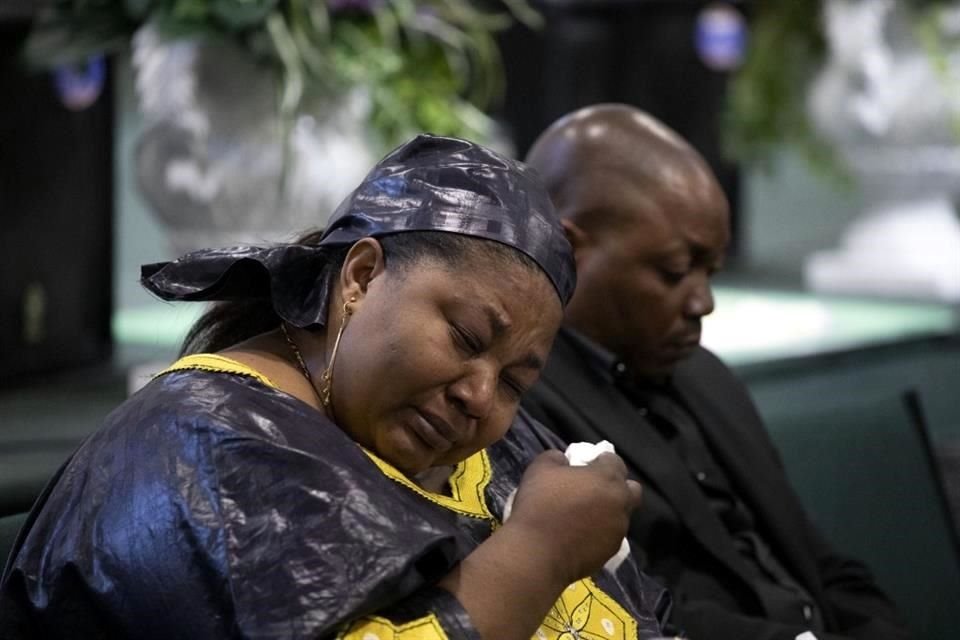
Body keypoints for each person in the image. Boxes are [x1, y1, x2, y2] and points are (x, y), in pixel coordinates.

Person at [0, 135, 670, 639]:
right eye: (466, 338)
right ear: (361, 277)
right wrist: (540, 550)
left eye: (518, 382)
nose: (481, 396)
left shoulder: (460, 429)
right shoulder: (199, 447)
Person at [520, 104, 912, 640]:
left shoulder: (705, 374)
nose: (703, 302)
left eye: (711, 272)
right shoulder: (519, 399)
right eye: (676, 271)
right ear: (569, 248)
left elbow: (819, 562)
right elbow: (624, 609)